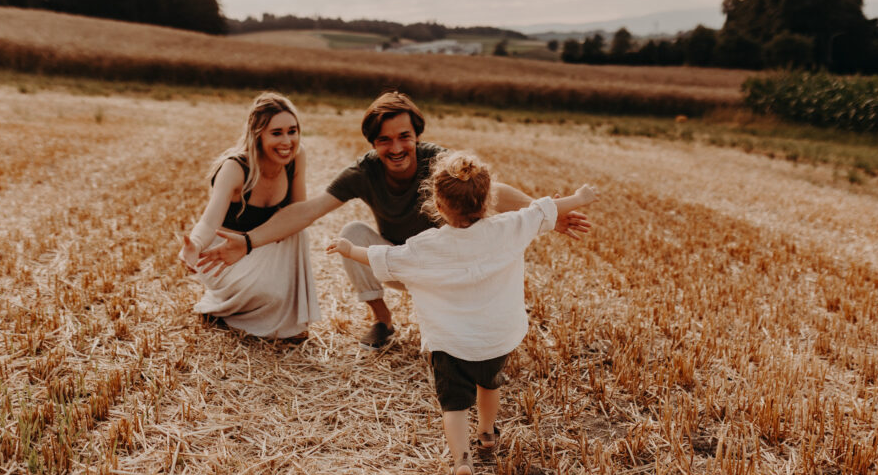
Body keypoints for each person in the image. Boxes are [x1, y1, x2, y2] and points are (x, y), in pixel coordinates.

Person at [198, 91, 590, 349]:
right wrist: (247, 242)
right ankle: (383, 322)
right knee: (352, 234)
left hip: (448, 268)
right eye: (384, 140)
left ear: (417, 134)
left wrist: (548, 213)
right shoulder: (364, 171)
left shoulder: (440, 161)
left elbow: (492, 190)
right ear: (373, 143)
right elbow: (307, 210)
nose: (396, 147)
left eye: (404, 136)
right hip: (400, 261)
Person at [326, 152, 599, 475]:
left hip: (450, 344)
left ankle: (462, 462)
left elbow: (385, 258)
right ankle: (487, 433)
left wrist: (349, 249)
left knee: (453, 406)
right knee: (489, 384)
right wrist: (579, 197)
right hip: (496, 338)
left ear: (438, 206)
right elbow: (541, 210)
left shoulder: (425, 247)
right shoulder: (508, 228)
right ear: (488, 201)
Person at [178, 92, 320, 339]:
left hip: (261, 244)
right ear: (258, 135)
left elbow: (299, 211)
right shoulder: (235, 168)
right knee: (267, 293)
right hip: (223, 256)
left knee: (299, 234)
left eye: (292, 131)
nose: (287, 141)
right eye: (276, 133)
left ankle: (278, 317)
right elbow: (209, 221)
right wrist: (196, 244)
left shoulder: (297, 157)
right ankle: (224, 306)